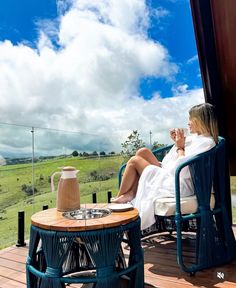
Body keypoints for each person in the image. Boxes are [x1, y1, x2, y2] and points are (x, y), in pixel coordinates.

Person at [111, 103, 219, 230]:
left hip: (179, 184)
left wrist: (180, 147)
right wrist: (176, 145)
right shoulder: (193, 138)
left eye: (191, 119)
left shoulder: (206, 143)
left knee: (135, 161)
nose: (188, 122)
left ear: (200, 120)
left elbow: (182, 171)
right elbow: (168, 161)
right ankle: (132, 192)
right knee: (142, 152)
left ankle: (120, 202)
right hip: (170, 173)